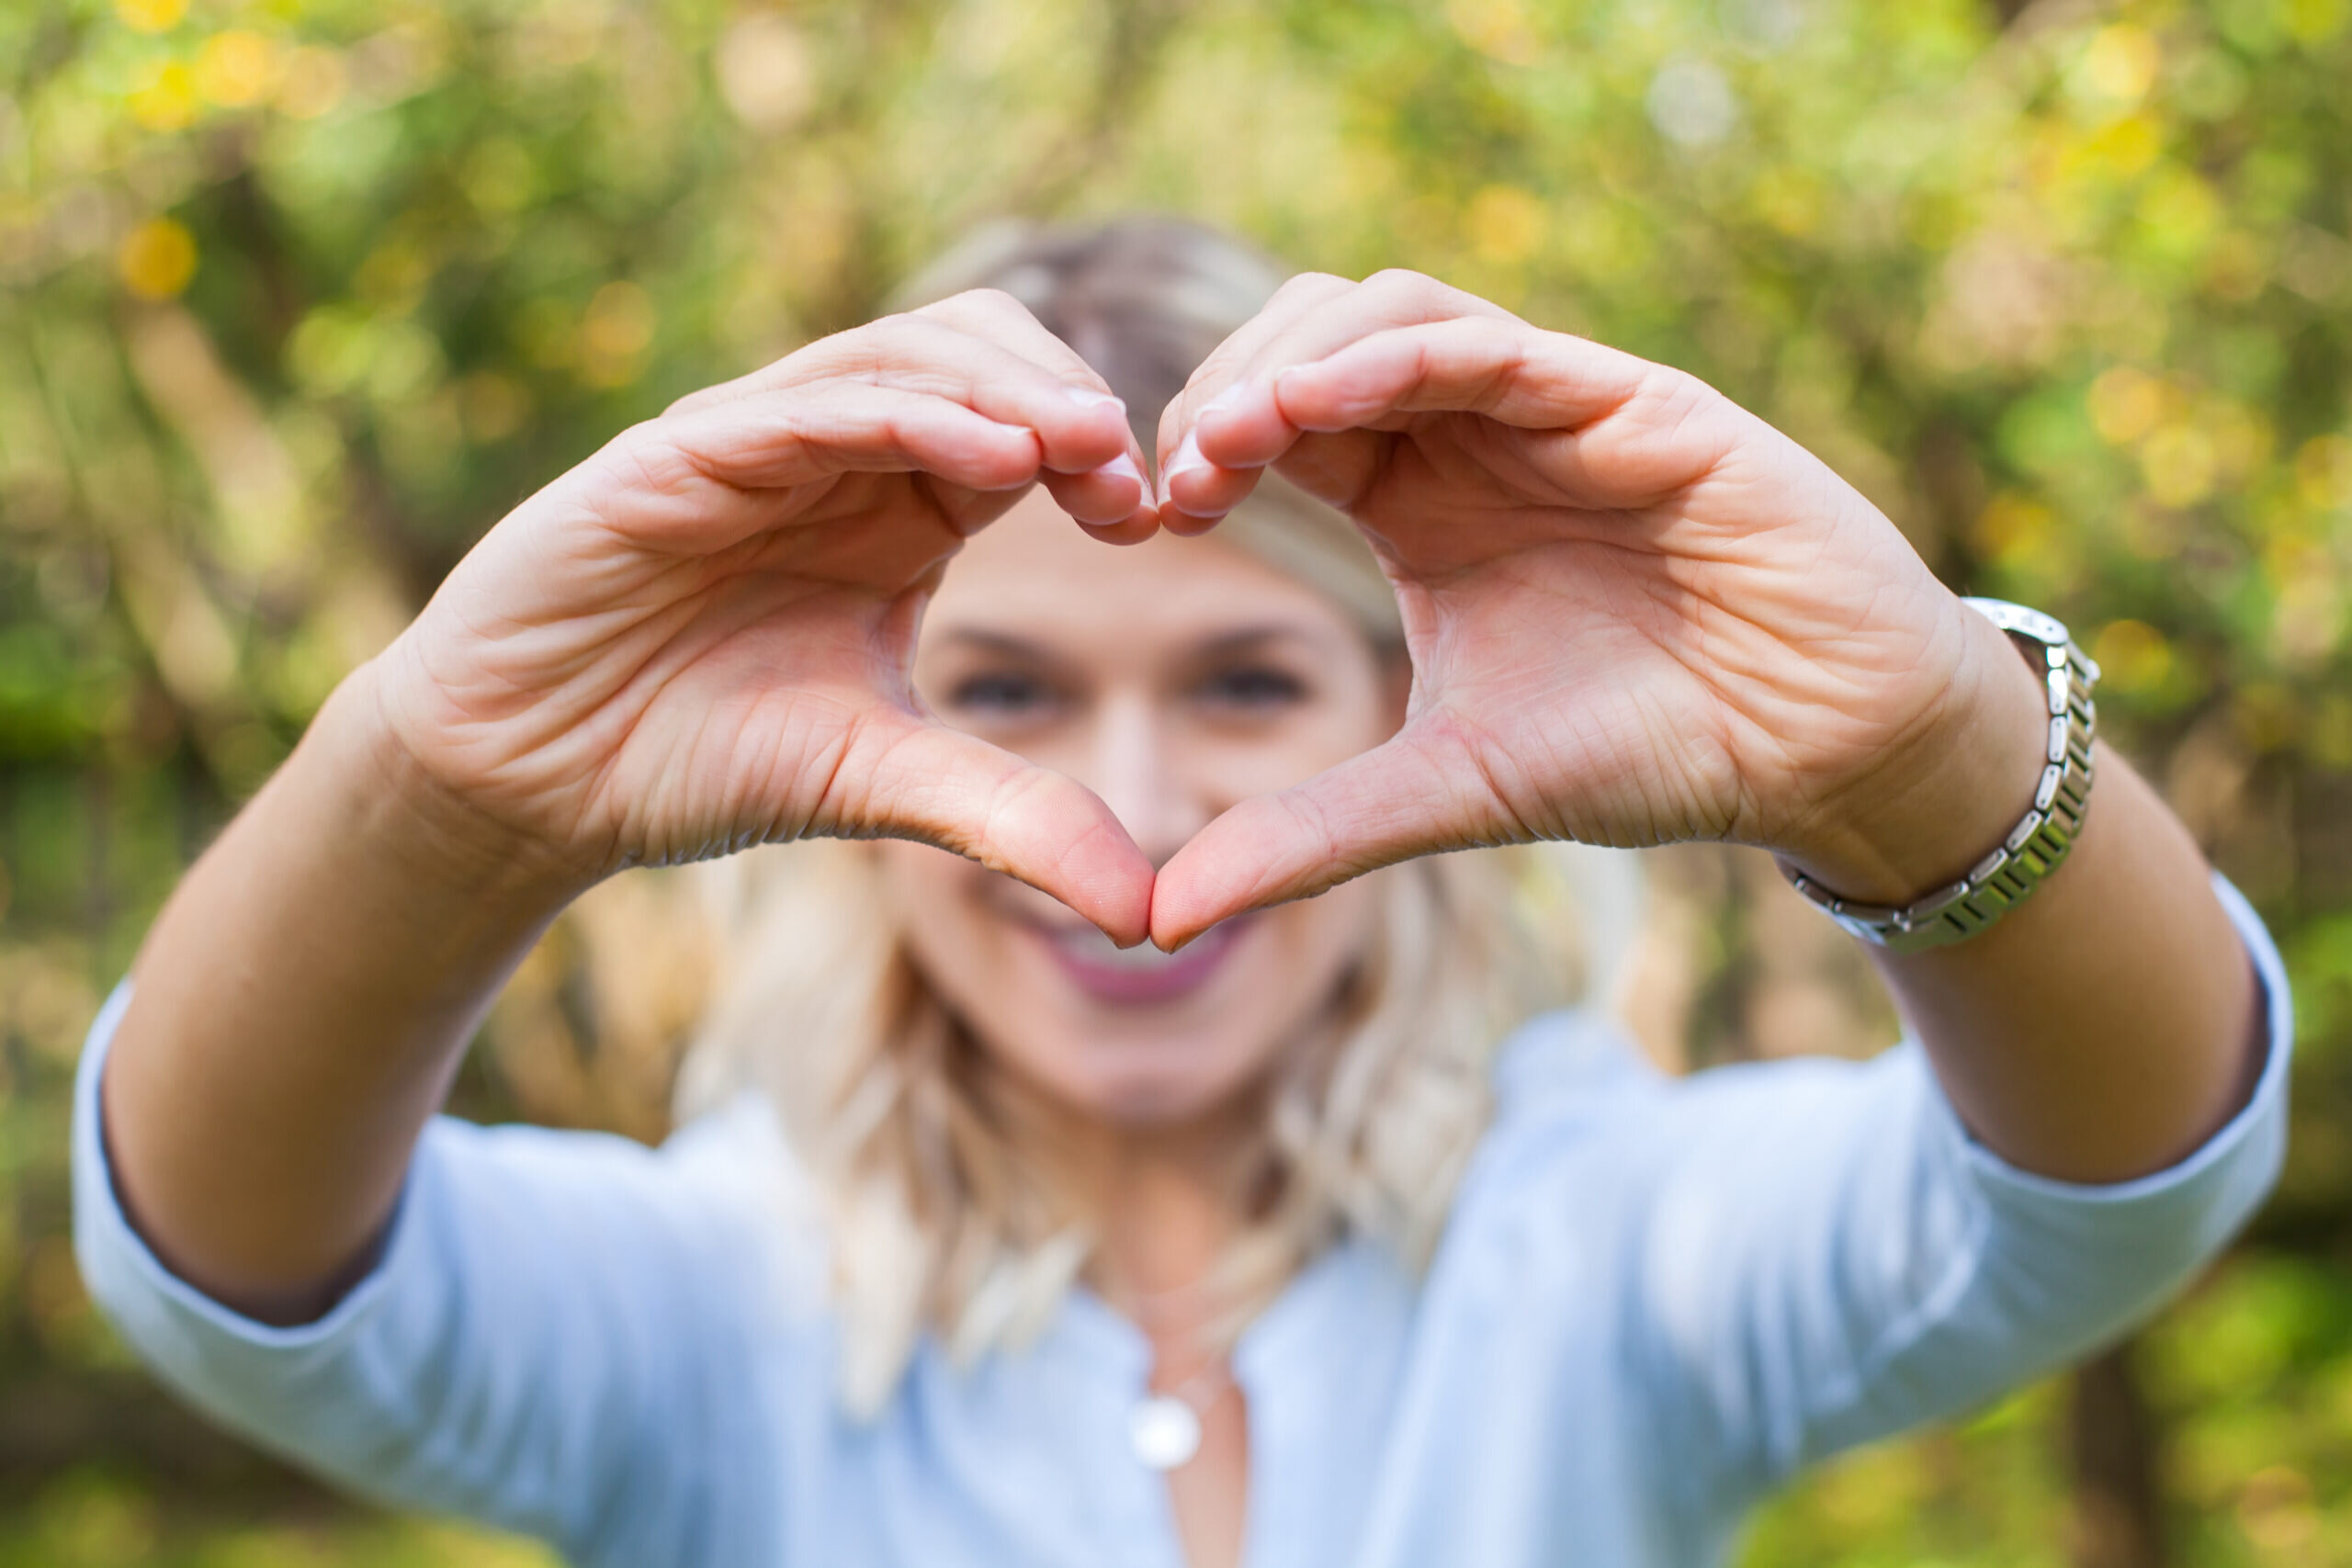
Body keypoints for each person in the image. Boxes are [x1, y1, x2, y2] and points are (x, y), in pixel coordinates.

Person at [73, 219, 2286, 1568]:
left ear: (1407, 688)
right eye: (1002, 681)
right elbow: (218, 1259)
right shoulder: (706, 1307)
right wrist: (444, 797)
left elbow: (2124, 1172)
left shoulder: (1605, 1251)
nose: (1120, 798)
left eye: (1242, 675)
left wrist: (1924, 753)